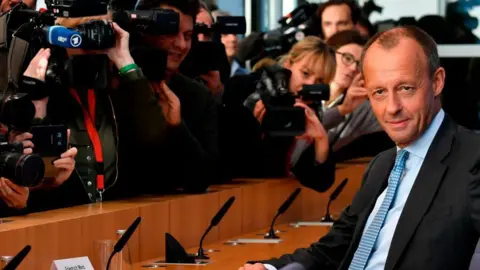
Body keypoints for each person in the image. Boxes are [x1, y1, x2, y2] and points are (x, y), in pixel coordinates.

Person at [239, 26, 480, 270]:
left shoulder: (473, 159)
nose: (391, 107)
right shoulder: (382, 165)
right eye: (379, 92)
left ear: (437, 82)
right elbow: (332, 251)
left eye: (405, 88)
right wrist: (268, 268)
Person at [223, 36, 337, 191]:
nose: (310, 84)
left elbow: (319, 183)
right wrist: (251, 129)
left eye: (319, 82)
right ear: (288, 64)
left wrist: (321, 140)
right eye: (305, 73)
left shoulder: (312, 111)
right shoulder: (244, 88)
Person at [135, 0, 219, 193]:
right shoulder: (112, 86)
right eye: (170, 32)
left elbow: (203, 178)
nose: (181, 45)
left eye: (188, 36)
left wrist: (177, 127)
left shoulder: (198, 95)